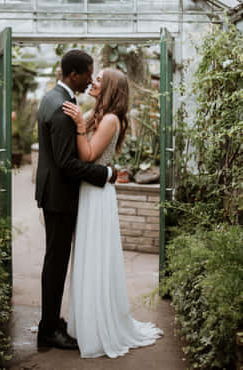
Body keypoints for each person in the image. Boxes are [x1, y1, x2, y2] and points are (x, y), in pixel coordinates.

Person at [62, 67, 163, 358]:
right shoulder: (101, 115)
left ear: (109, 89)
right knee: (88, 256)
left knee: (94, 257)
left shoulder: (109, 119)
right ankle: (85, 323)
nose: (92, 82)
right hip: (91, 191)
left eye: (98, 80)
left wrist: (80, 126)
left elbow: (89, 155)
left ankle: (97, 326)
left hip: (96, 195)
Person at [35, 50, 117, 350]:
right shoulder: (62, 107)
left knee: (55, 261)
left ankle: (53, 322)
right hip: (59, 197)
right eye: (88, 74)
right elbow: (67, 163)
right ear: (74, 75)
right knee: (56, 264)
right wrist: (105, 173)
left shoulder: (52, 99)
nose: (90, 79)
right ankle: (48, 330)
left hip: (53, 194)